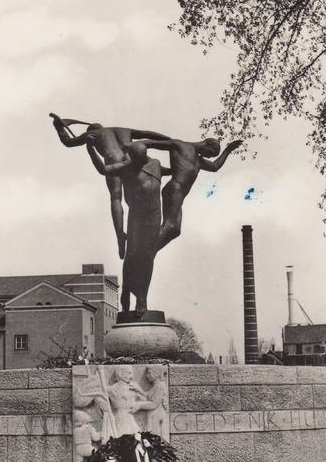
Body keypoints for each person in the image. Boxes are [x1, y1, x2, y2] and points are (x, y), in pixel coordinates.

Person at [49, 114, 170, 259]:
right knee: (133, 194)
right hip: (131, 158)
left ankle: (120, 236)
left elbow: (68, 142)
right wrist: (169, 140)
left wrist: (58, 127)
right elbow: (148, 134)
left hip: (114, 159)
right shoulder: (123, 129)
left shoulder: (93, 133)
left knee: (116, 197)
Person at [86, 138, 171, 316]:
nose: (138, 162)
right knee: (131, 256)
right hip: (136, 218)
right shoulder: (126, 166)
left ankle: (142, 298)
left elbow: (172, 171)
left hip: (154, 217)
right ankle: (126, 290)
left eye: (141, 158)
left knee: (147, 257)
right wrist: (90, 148)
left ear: (146, 155)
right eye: (135, 159)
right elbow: (103, 169)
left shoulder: (155, 164)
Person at [142, 137, 243, 251]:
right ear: (208, 145)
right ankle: (146, 252)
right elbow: (153, 143)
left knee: (175, 231)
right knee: (170, 225)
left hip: (179, 195)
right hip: (174, 189)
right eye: (211, 153)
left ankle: (150, 252)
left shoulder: (198, 160)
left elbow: (215, 166)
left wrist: (228, 150)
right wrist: (132, 147)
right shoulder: (180, 145)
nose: (209, 157)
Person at [107, 365, 157, 436]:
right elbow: (101, 396)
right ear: (121, 374)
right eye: (129, 373)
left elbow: (145, 399)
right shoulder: (112, 389)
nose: (132, 377)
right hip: (121, 417)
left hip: (131, 417)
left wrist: (139, 391)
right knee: (123, 437)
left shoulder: (133, 387)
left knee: (136, 438)